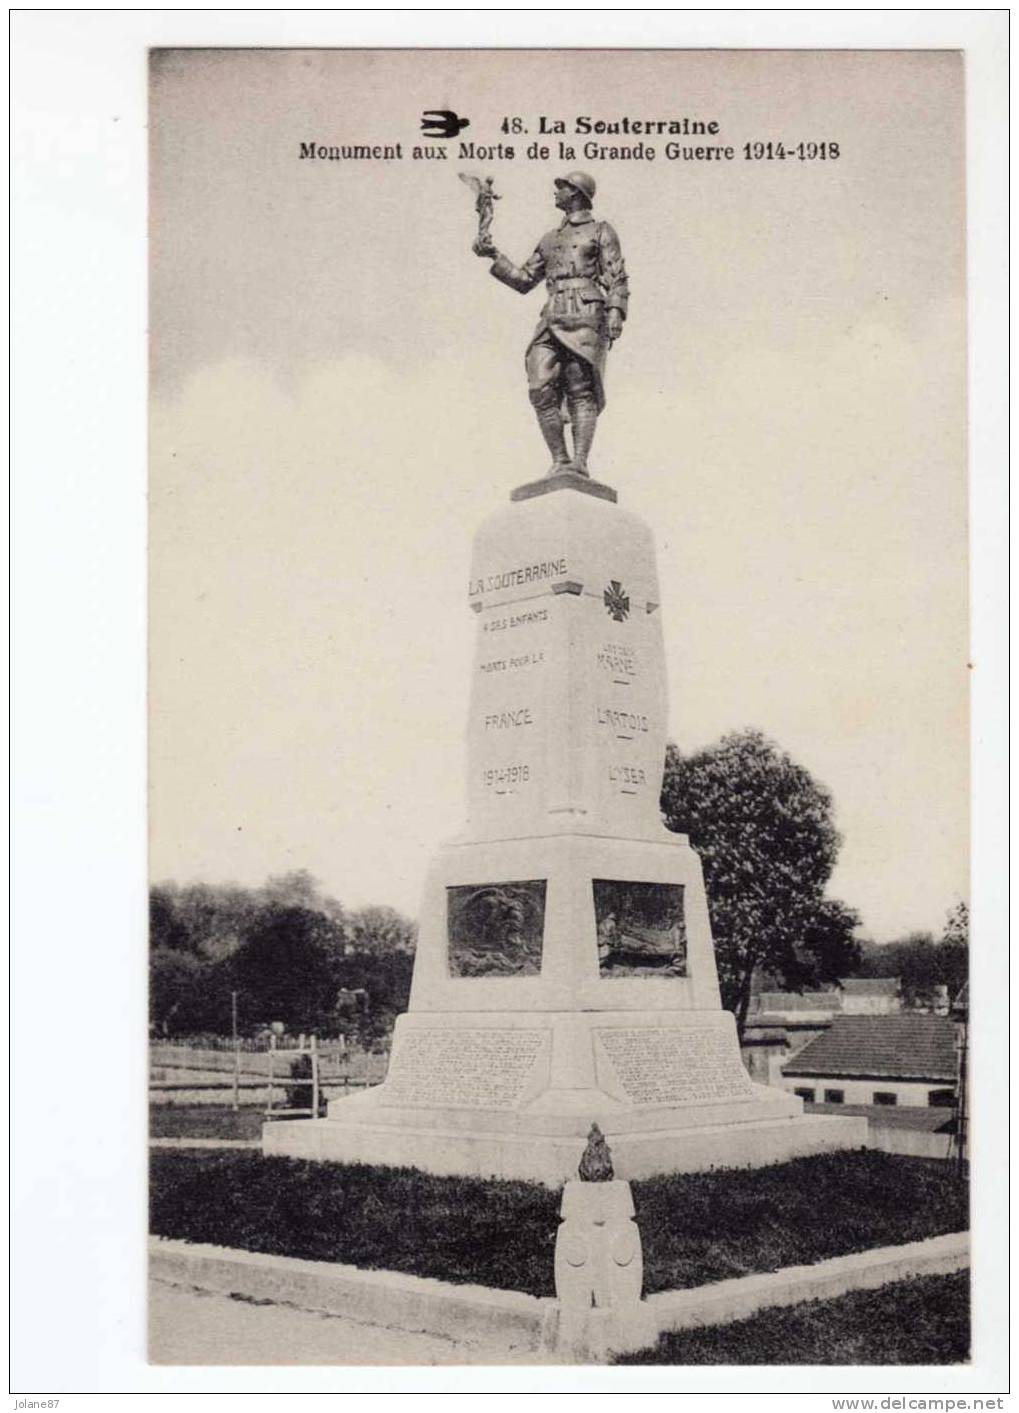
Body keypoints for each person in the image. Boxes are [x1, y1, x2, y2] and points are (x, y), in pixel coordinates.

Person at [475, 172, 629, 477]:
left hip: (586, 314)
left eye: (561, 189)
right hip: (552, 315)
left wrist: (615, 313)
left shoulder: (601, 231)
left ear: (576, 193)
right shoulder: (550, 238)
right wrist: (493, 254)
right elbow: (524, 280)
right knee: (539, 387)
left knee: (580, 389)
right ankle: (560, 459)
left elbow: (617, 276)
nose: (555, 194)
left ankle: (579, 462)